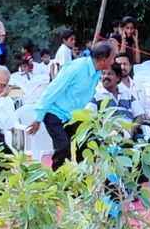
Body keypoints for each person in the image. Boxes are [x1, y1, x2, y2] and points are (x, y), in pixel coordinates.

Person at [28, 41, 115, 170]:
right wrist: (38, 118)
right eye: (112, 58)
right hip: (54, 113)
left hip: (72, 116)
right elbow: (52, 90)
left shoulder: (97, 73)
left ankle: (83, 176)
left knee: (88, 143)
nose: (113, 61)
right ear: (103, 59)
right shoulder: (77, 68)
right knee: (63, 148)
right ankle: (58, 178)